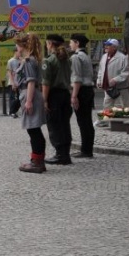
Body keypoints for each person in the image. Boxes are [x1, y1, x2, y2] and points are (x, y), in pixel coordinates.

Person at [16, 33, 48, 173]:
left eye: (17, 44)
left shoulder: (29, 60)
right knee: (34, 130)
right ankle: (37, 160)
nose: (16, 47)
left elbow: (31, 82)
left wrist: (28, 101)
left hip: (31, 95)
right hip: (33, 94)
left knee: (34, 130)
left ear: (23, 45)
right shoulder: (33, 59)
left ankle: (37, 162)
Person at [42, 34, 73, 166]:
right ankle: (65, 154)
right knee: (65, 125)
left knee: (54, 125)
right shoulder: (66, 59)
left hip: (54, 95)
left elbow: (46, 82)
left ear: (50, 44)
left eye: (47, 43)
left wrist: (44, 100)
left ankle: (60, 155)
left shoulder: (49, 60)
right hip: (65, 94)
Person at [69, 34, 95, 159]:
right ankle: (88, 149)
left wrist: (74, 96)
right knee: (87, 121)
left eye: (71, 42)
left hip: (81, 90)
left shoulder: (76, 57)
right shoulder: (86, 56)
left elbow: (77, 78)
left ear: (77, 43)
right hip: (89, 89)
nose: (70, 45)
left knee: (83, 121)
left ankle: (86, 150)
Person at [95, 38, 129, 125]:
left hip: (121, 87)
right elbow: (101, 70)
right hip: (108, 87)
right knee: (107, 104)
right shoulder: (104, 56)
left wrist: (115, 79)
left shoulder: (122, 58)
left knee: (124, 105)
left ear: (114, 47)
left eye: (108, 45)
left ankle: (126, 121)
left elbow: (126, 72)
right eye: (105, 44)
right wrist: (99, 80)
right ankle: (104, 121)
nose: (105, 46)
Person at [7, 48, 21, 118]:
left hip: (20, 82)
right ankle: (12, 112)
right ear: (15, 52)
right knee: (12, 98)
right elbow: (9, 72)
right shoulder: (11, 61)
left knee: (20, 98)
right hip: (13, 82)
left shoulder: (21, 60)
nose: (20, 53)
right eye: (19, 52)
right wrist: (12, 83)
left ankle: (14, 110)